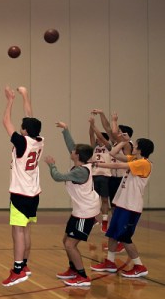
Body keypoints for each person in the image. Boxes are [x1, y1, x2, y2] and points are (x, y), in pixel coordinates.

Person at [44, 121, 100, 287]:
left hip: (86, 212)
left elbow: (58, 177)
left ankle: (82, 276)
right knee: (65, 240)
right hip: (80, 210)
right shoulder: (80, 163)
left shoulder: (79, 172)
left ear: (78, 156)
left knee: (70, 244)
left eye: (74, 151)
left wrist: (52, 164)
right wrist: (66, 130)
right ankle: (73, 269)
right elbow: (71, 145)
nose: (72, 150)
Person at [90, 137, 154, 278]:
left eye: (135, 145)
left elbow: (117, 166)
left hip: (131, 206)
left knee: (124, 237)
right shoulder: (134, 160)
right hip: (122, 203)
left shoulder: (144, 163)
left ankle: (139, 266)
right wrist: (124, 141)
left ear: (140, 149)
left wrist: (97, 164)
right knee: (113, 233)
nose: (133, 146)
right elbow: (113, 154)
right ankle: (110, 262)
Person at [1, 86, 43, 287]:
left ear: (25, 130)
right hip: (33, 193)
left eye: (22, 126)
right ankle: (24, 264)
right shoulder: (38, 140)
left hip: (20, 193)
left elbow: (5, 122)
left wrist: (10, 101)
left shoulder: (21, 142)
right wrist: (26, 95)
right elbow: (30, 117)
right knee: (26, 230)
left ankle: (17, 270)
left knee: (17, 231)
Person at [91, 109, 131, 253]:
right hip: (113, 179)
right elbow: (107, 131)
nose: (116, 132)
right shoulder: (114, 146)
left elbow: (112, 131)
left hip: (122, 179)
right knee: (114, 210)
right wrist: (101, 114)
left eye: (119, 131)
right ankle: (118, 240)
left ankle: (121, 239)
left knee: (118, 211)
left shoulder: (128, 145)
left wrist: (114, 120)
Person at [88, 115, 112, 232]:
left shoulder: (109, 147)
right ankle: (93, 219)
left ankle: (105, 221)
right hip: (94, 175)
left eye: (99, 138)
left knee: (104, 199)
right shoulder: (94, 147)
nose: (97, 139)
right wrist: (91, 125)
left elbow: (100, 136)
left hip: (105, 176)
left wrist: (94, 124)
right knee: (93, 199)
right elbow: (91, 135)